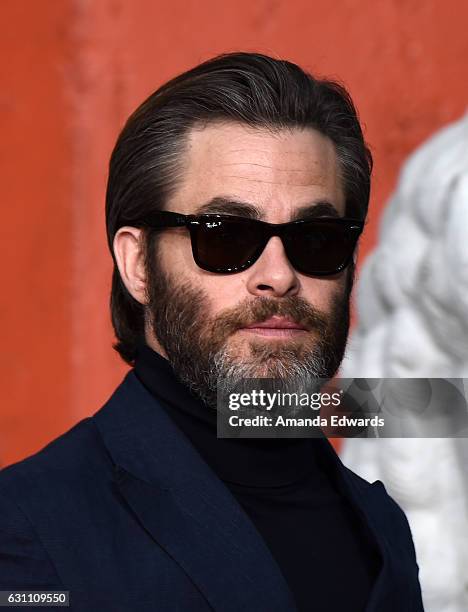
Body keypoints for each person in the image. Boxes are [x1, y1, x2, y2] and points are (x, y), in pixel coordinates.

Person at [0, 52, 424, 611]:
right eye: (224, 237)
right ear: (139, 266)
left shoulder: (381, 525)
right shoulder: (26, 528)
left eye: (317, 238)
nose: (278, 277)